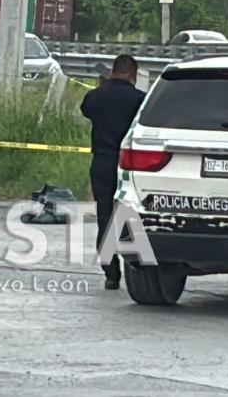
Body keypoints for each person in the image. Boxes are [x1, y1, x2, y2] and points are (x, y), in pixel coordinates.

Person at [81, 55, 146, 290]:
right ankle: (138, 270)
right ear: (133, 74)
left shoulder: (96, 96)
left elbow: (86, 109)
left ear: (113, 71)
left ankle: (111, 274)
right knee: (132, 220)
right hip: (128, 167)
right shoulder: (140, 100)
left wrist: (103, 86)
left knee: (105, 218)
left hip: (101, 164)